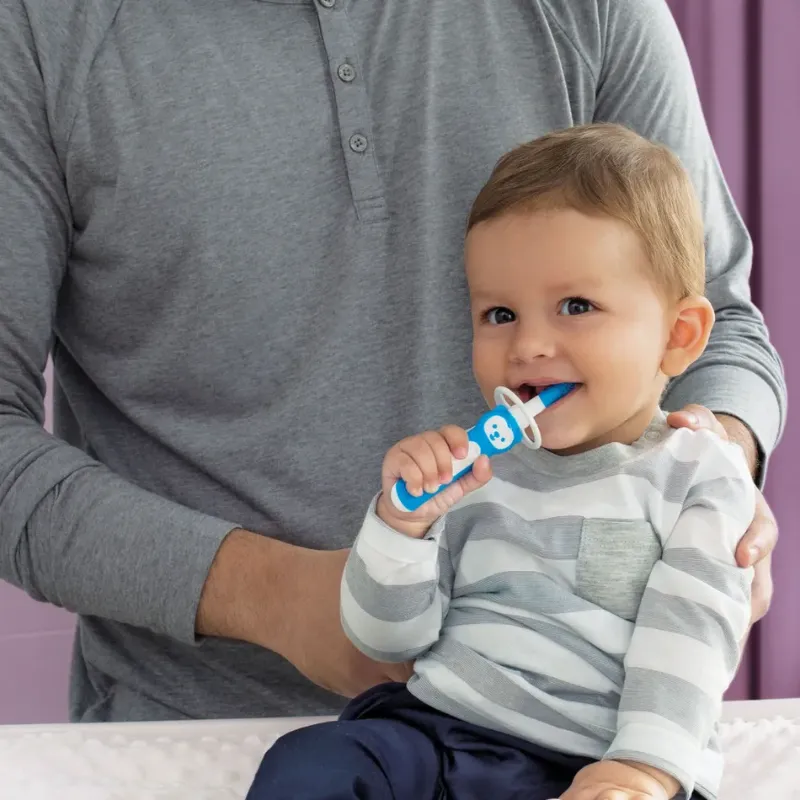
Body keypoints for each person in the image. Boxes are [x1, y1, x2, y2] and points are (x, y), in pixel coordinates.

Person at [0, 0, 782, 723]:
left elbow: (716, 320)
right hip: (194, 734)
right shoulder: (40, 30)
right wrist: (277, 598)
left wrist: (709, 469)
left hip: (581, 733)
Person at [248, 124, 754, 800]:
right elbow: (388, 640)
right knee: (313, 762)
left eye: (576, 306)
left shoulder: (697, 476)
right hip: (440, 729)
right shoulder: (475, 469)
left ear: (678, 336)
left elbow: (689, 642)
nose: (530, 345)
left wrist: (645, 771)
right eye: (499, 314)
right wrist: (400, 527)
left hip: (601, 756)